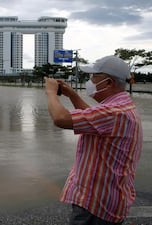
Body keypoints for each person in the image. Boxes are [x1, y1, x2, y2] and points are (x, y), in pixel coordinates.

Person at [44, 55, 143, 225]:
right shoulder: (121, 107)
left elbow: (60, 118)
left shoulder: (113, 112)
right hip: (110, 197)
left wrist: (51, 93)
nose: (89, 81)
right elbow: (96, 121)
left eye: (93, 77)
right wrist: (72, 95)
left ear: (109, 83)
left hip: (96, 205)